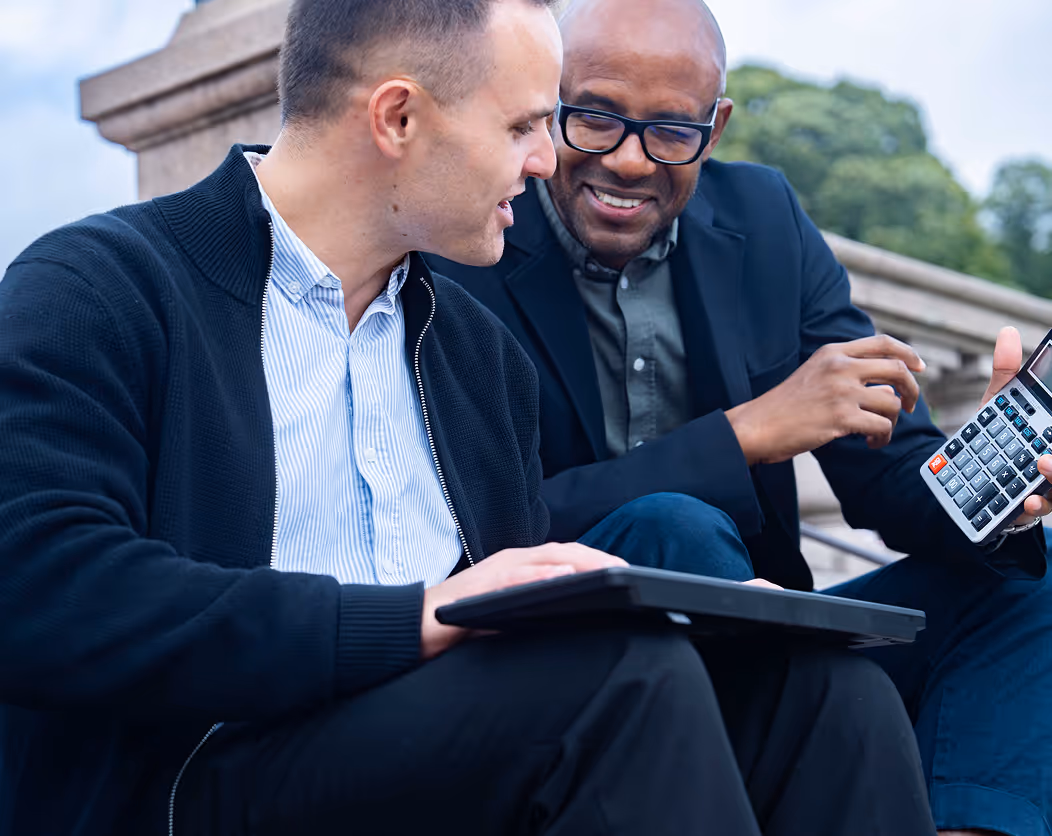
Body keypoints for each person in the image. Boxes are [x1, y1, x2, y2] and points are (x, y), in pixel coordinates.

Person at [0, 1, 938, 835]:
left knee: (827, 689)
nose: (548, 158)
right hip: (190, 774)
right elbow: (38, 589)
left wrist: (687, 606)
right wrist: (411, 619)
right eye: (527, 123)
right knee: (619, 686)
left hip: (422, 743)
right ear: (398, 117)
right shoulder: (100, 287)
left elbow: (492, 607)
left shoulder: (475, 357)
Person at [427, 1, 1052, 834]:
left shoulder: (765, 220)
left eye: (671, 133)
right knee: (674, 529)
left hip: (771, 636)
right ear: (549, 100)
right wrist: (745, 434)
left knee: (1032, 577)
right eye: (596, 119)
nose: (628, 162)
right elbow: (484, 528)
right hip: (560, 653)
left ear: (715, 127)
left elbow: (890, 478)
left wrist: (998, 491)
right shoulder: (471, 241)